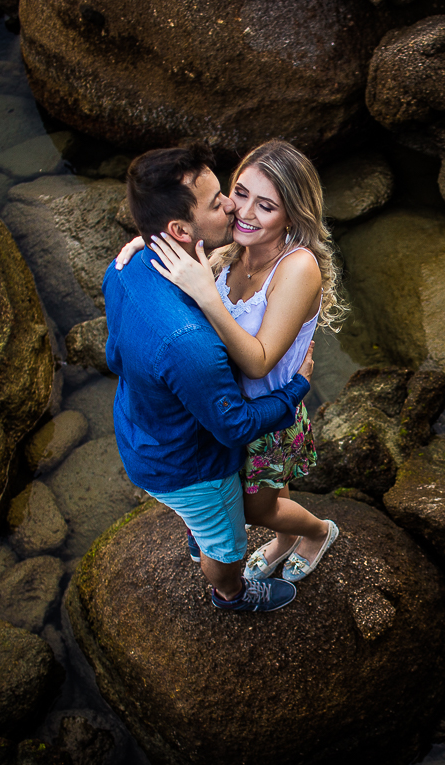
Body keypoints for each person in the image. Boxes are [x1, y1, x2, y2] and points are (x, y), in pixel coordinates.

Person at [114, 139, 343, 584]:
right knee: (267, 491)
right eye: (239, 193)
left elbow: (258, 363)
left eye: (266, 206)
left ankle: (317, 532)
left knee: (256, 509)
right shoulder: (228, 251)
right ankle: (286, 537)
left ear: (292, 215)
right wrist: (148, 239)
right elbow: (184, 229)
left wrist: (207, 296)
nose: (244, 212)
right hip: (225, 408)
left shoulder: (297, 268)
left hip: (267, 412)